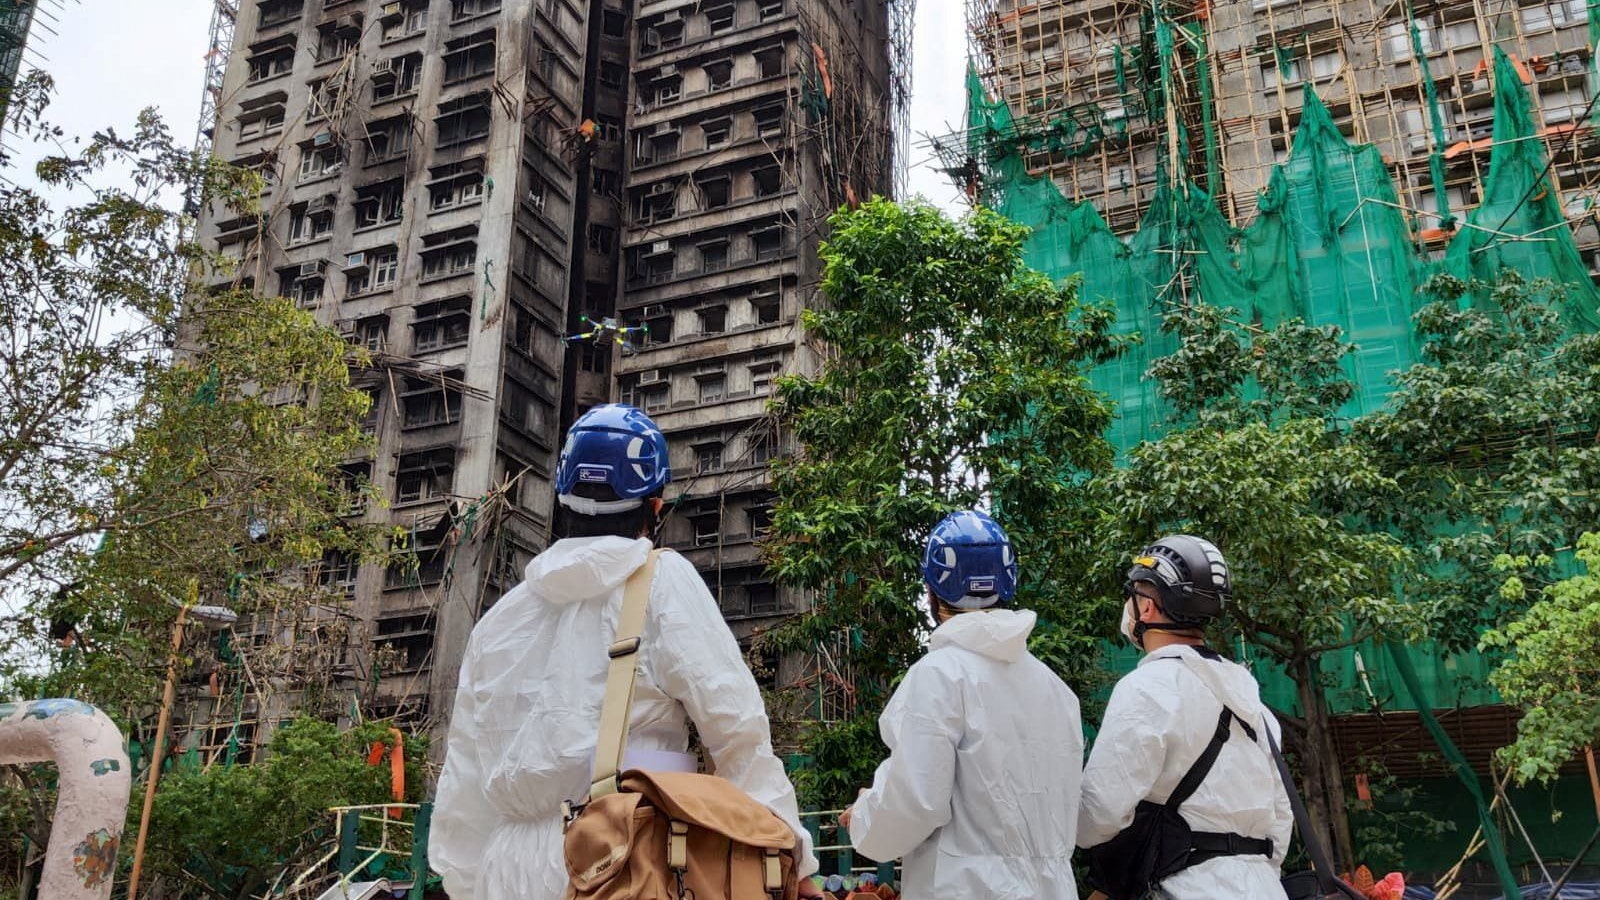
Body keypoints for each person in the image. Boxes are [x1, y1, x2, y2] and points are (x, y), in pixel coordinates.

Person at [432, 404, 819, 900]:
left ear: (562, 497)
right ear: (654, 506)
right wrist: (795, 859)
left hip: (503, 871)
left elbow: (465, 778)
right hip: (626, 863)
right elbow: (736, 734)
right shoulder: (662, 584)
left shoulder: (499, 621)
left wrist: (466, 880)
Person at [840, 510, 1084, 899]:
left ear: (932, 592)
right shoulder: (1055, 689)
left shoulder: (940, 674)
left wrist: (864, 816)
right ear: (1007, 584)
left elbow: (915, 804)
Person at [1078, 535, 1294, 899]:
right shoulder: (1254, 703)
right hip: (1265, 888)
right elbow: (1281, 822)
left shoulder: (1147, 688)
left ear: (1146, 607)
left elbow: (1099, 814)